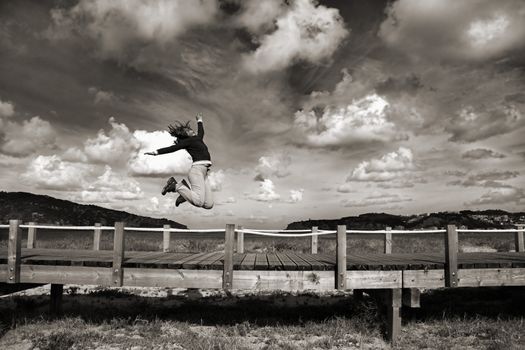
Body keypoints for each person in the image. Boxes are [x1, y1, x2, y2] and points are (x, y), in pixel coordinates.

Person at [145, 113, 214, 209]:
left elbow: (201, 132)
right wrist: (156, 152)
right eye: (189, 131)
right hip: (197, 171)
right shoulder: (188, 142)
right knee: (198, 202)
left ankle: (184, 194)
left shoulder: (198, 138)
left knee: (208, 204)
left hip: (204, 173)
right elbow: (173, 148)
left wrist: (200, 120)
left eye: (191, 129)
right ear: (185, 135)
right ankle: (175, 186)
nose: (192, 131)